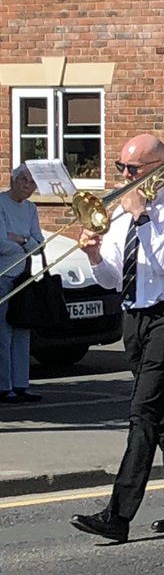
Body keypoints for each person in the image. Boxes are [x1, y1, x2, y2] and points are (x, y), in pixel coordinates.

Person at [70, 134, 164, 543]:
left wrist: (142, 216)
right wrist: (95, 254)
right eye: (121, 169)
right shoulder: (120, 211)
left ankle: (118, 514)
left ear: (160, 167)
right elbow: (113, 277)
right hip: (134, 317)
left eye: (133, 170)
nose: (125, 177)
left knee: (143, 411)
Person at [0, 165, 44, 403]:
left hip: (23, 276)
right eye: (24, 180)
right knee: (3, 333)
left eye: (32, 182)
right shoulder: (0, 203)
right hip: (3, 275)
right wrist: (24, 242)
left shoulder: (31, 208)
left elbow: (39, 243)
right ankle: (3, 386)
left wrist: (20, 239)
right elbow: (0, 243)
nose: (28, 186)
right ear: (13, 180)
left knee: (22, 329)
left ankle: (21, 384)